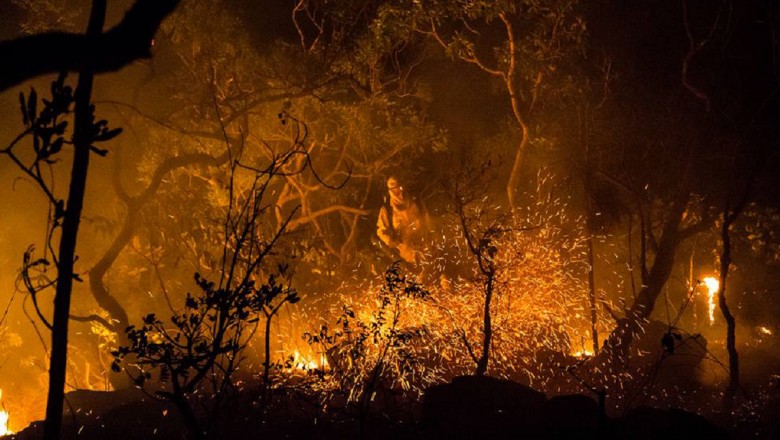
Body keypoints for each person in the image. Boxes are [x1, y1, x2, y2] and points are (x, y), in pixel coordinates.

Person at [376, 176, 431, 265]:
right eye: (396, 190)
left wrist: (431, 237)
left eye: (400, 188)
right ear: (391, 191)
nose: (400, 192)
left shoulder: (416, 203)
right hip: (404, 257)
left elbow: (428, 222)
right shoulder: (387, 210)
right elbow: (381, 231)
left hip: (424, 252)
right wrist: (390, 241)